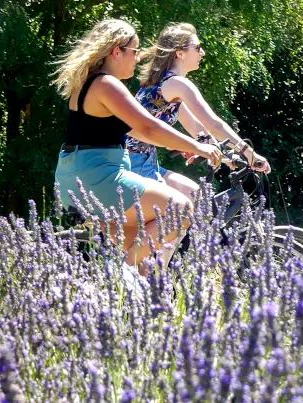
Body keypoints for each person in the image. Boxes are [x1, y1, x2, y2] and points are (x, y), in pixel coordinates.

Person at [53, 19, 223, 272]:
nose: (139, 57)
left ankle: (129, 296)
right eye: (135, 51)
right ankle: (118, 278)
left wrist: (183, 143)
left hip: (74, 176)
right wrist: (200, 148)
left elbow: (144, 133)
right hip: (99, 177)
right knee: (182, 209)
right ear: (116, 51)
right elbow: (149, 127)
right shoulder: (106, 84)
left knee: (145, 255)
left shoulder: (87, 83)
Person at [126, 22, 270, 200]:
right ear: (180, 53)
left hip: (143, 160)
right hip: (136, 163)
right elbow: (213, 124)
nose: (203, 53)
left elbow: (199, 130)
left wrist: (227, 157)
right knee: (182, 209)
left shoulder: (165, 84)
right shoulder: (178, 84)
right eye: (198, 47)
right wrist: (250, 154)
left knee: (199, 197)